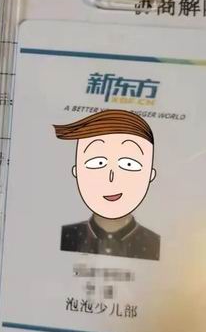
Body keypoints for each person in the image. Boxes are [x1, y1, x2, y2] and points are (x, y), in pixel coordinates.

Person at [54, 110, 160, 261]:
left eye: (129, 164)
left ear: (150, 174)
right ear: (76, 170)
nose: (111, 177)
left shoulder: (156, 244)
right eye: (98, 162)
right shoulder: (64, 237)